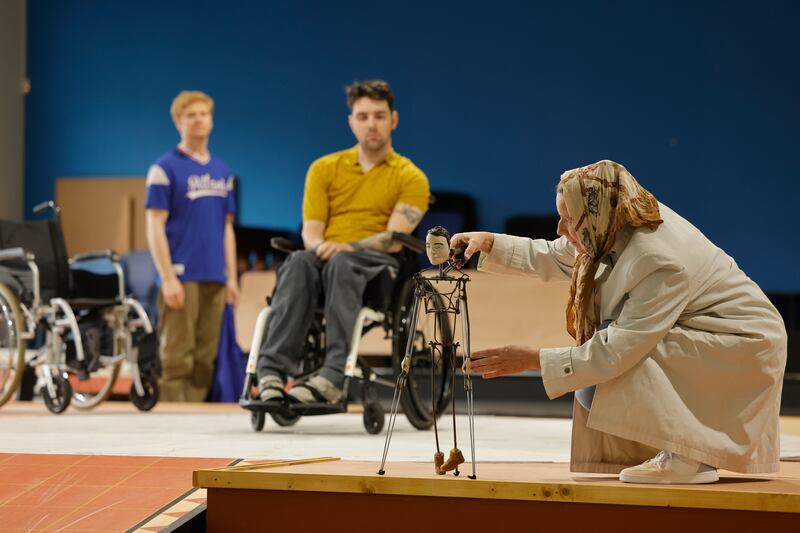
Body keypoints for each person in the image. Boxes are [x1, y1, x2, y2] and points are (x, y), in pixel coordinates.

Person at [452, 160, 786, 484]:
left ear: (593, 214)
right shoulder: (615, 221)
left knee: (617, 362)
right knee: (599, 365)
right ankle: (682, 450)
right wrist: (490, 243)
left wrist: (533, 359)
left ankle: (689, 460)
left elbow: (617, 350)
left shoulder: (658, 259)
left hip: (743, 343)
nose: (560, 229)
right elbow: (559, 254)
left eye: (568, 218)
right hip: (717, 334)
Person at [256, 80, 430, 404]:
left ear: (393, 120)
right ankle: (270, 373)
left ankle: (333, 375)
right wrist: (318, 246)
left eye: (379, 116)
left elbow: (393, 239)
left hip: (377, 268)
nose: (371, 124)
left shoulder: (411, 176)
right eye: (362, 117)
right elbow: (311, 230)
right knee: (297, 261)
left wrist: (347, 248)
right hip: (327, 257)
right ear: (351, 122)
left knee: (342, 262)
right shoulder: (324, 169)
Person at [145, 90, 239, 402]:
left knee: (204, 358)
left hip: (215, 275)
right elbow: (154, 225)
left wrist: (232, 278)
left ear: (211, 120)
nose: (198, 120)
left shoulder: (222, 172)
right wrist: (168, 277)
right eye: (191, 115)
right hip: (181, 276)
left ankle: (195, 423)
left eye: (203, 114)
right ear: (178, 122)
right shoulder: (164, 168)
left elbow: (227, 228)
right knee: (177, 358)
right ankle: (171, 420)